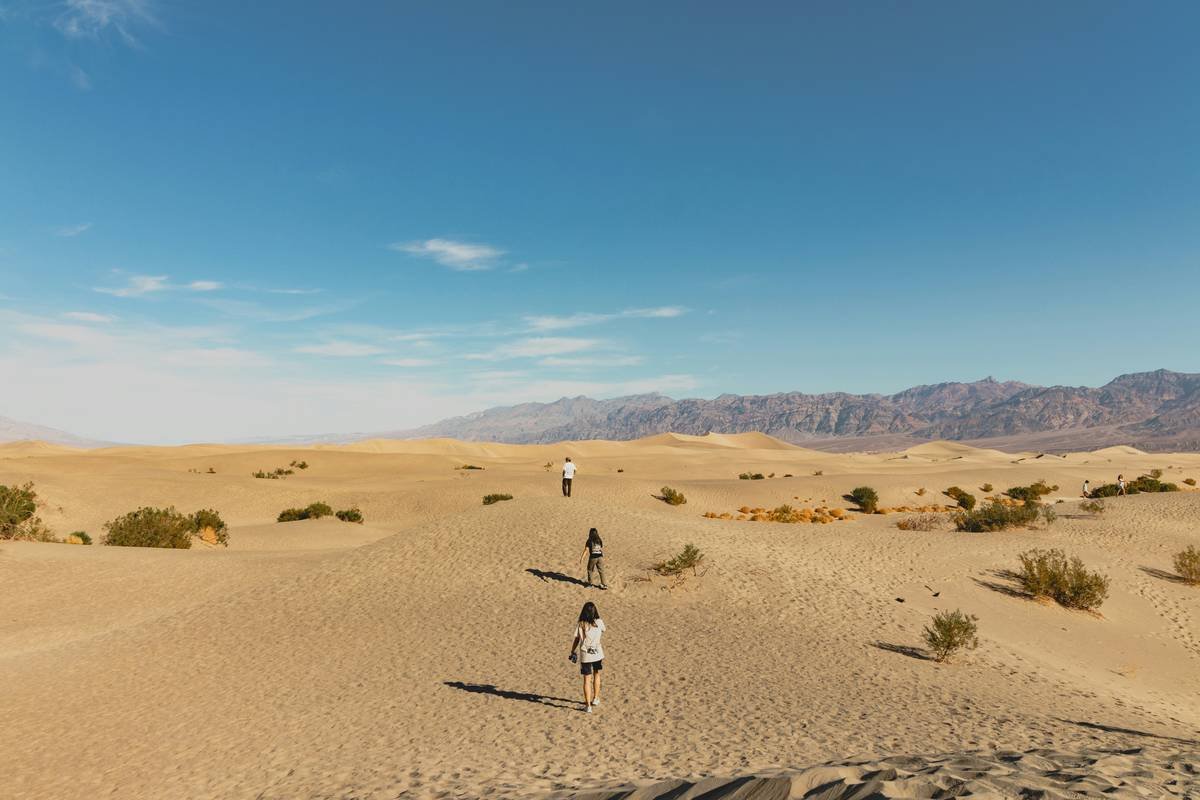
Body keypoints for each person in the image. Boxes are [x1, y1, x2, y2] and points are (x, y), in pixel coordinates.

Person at [568, 601, 605, 712]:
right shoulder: (599, 622)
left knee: (586, 679)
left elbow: (577, 639)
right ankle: (595, 698)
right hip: (597, 653)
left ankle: (588, 705)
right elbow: (603, 630)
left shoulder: (581, 624)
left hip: (586, 654)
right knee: (597, 674)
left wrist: (572, 650)